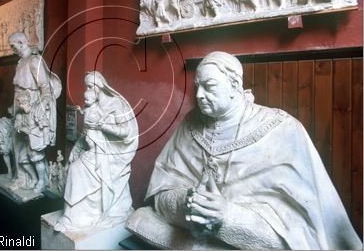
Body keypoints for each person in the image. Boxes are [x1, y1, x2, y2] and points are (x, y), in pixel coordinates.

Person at [127, 51, 362, 250]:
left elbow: (298, 225)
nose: (198, 95)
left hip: (249, 230)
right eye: (197, 87)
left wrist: (227, 216)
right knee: (140, 219)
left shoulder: (282, 128)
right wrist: (187, 201)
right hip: (193, 227)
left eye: (209, 87)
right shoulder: (191, 123)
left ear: (234, 86)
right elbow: (161, 191)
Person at [54, 71, 139, 232]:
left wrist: (102, 126)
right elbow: (86, 133)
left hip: (110, 153)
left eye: (91, 86)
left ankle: (72, 217)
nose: (87, 90)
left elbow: (126, 132)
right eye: (86, 86)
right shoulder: (91, 105)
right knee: (72, 167)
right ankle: (75, 215)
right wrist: (75, 150)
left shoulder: (115, 104)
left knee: (76, 170)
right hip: (94, 149)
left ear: (100, 86)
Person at [9, 31, 61, 192]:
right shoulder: (21, 62)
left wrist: (41, 106)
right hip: (19, 109)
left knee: (34, 150)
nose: (12, 49)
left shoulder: (34, 60)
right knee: (18, 149)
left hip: (30, 109)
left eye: (13, 46)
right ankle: (26, 178)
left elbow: (45, 88)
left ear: (21, 43)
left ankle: (41, 180)